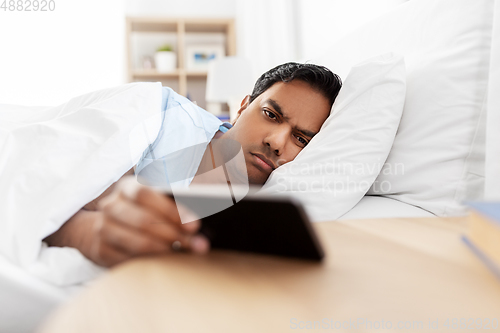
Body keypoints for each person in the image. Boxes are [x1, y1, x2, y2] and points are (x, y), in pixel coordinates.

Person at [43, 62, 342, 267]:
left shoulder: (277, 207)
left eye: (301, 139)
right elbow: (50, 203)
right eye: (270, 114)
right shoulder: (161, 117)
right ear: (242, 107)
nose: (277, 142)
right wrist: (91, 234)